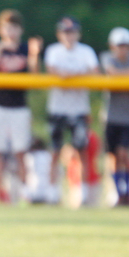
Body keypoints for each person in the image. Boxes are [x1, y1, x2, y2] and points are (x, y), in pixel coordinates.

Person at [0, 9, 42, 204]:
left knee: (20, 151)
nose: (10, 32)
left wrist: (34, 54)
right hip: (0, 105)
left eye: (14, 27)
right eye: (7, 27)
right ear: (0, 30)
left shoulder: (25, 49)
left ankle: (25, 192)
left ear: (20, 30)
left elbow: (34, 77)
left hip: (19, 106)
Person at [44, 16, 100, 205]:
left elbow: (95, 71)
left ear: (78, 34)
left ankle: (81, 192)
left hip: (79, 109)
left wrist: (70, 77)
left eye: (72, 32)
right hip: (57, 108)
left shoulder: (86, 51)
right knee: (55, 151)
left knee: (82, 151)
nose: (69, 36)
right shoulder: (53, 51)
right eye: (65, 32)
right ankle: (53, 191)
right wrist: (74, 76)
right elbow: (52, 70)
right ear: (59, 34)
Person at [99, 27, 129, 206]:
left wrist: (121, 79)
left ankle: (126, 192)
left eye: (126, 45)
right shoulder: (107, 57)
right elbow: (111, 71)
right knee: (113, 157)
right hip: (111, 116)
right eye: (119, 45)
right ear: (112, 46)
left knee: (124, 154)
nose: (123, 49)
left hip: (128, 117)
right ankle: (118, 193)